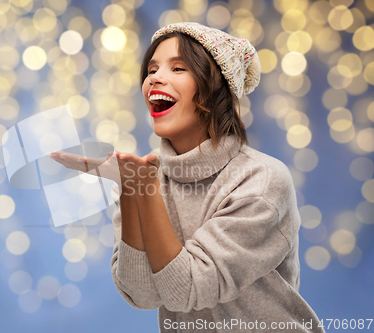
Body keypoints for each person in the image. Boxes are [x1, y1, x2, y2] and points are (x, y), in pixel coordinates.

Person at [107, 22, 326, 333]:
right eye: (152, 69)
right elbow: (140, 295)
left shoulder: (261, 181)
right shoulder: (142, 177)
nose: (154, 77)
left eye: (178, 68)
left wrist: (143, 192)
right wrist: (131, 193)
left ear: (214, 89)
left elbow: (186, 289)